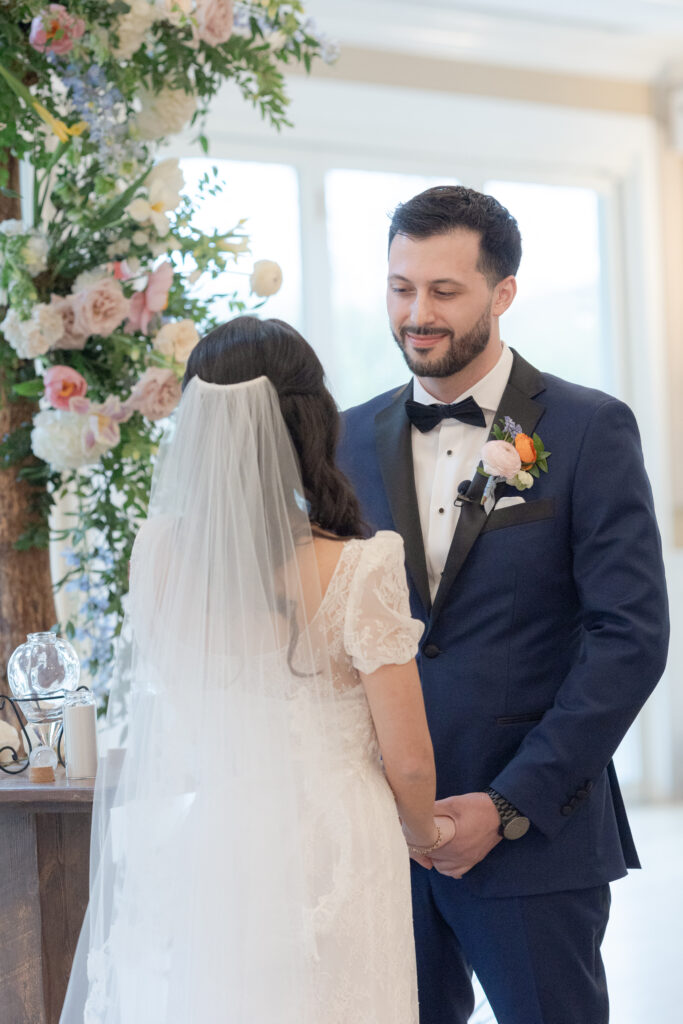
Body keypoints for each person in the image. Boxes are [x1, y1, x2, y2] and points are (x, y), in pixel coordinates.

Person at [60, 316, 455, 1024]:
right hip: (337, 846)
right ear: (310, 425)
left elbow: (181, 706)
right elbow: (411, 760)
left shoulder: (155, 556)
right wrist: (426, 835)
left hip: (223, 831)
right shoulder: (362, 565)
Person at [338, 185, 669, 1024]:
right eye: (400, 287)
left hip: (532, 847)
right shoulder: (341, 441)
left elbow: (627, 639)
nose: (417, 312)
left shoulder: (593, 429)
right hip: (375, 839)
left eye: (444, 291)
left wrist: (511, 803)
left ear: (502, 292)